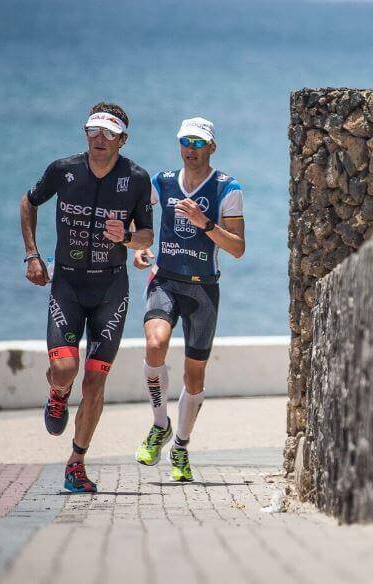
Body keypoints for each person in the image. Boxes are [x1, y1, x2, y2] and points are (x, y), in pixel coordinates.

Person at [19, 102, 154, 493]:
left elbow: (147, 236)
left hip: (111, 289)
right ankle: (57, 394)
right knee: (65, 370)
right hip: (68, 285)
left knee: (94, 383)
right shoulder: (63, 170)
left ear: (122, 139)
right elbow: (28, 202)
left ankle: (76, 463)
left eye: (109, 133)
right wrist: (32, 254)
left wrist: (126, 239)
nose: (100, 138)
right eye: (93, 130)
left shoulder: (136, 178)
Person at [132, 117, 245, 481]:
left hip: (203, 289)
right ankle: (159, 424)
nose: (191, 149)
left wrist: (205, 224)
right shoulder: (161, 182)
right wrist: (137, 247)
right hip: (165, 281)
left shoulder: (228, 188)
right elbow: (141, 226)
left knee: (194, 377)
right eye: (186, 142)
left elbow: (238, 248)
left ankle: (180, 445)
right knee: (154, 345)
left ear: (212, 147)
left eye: (199, 143)